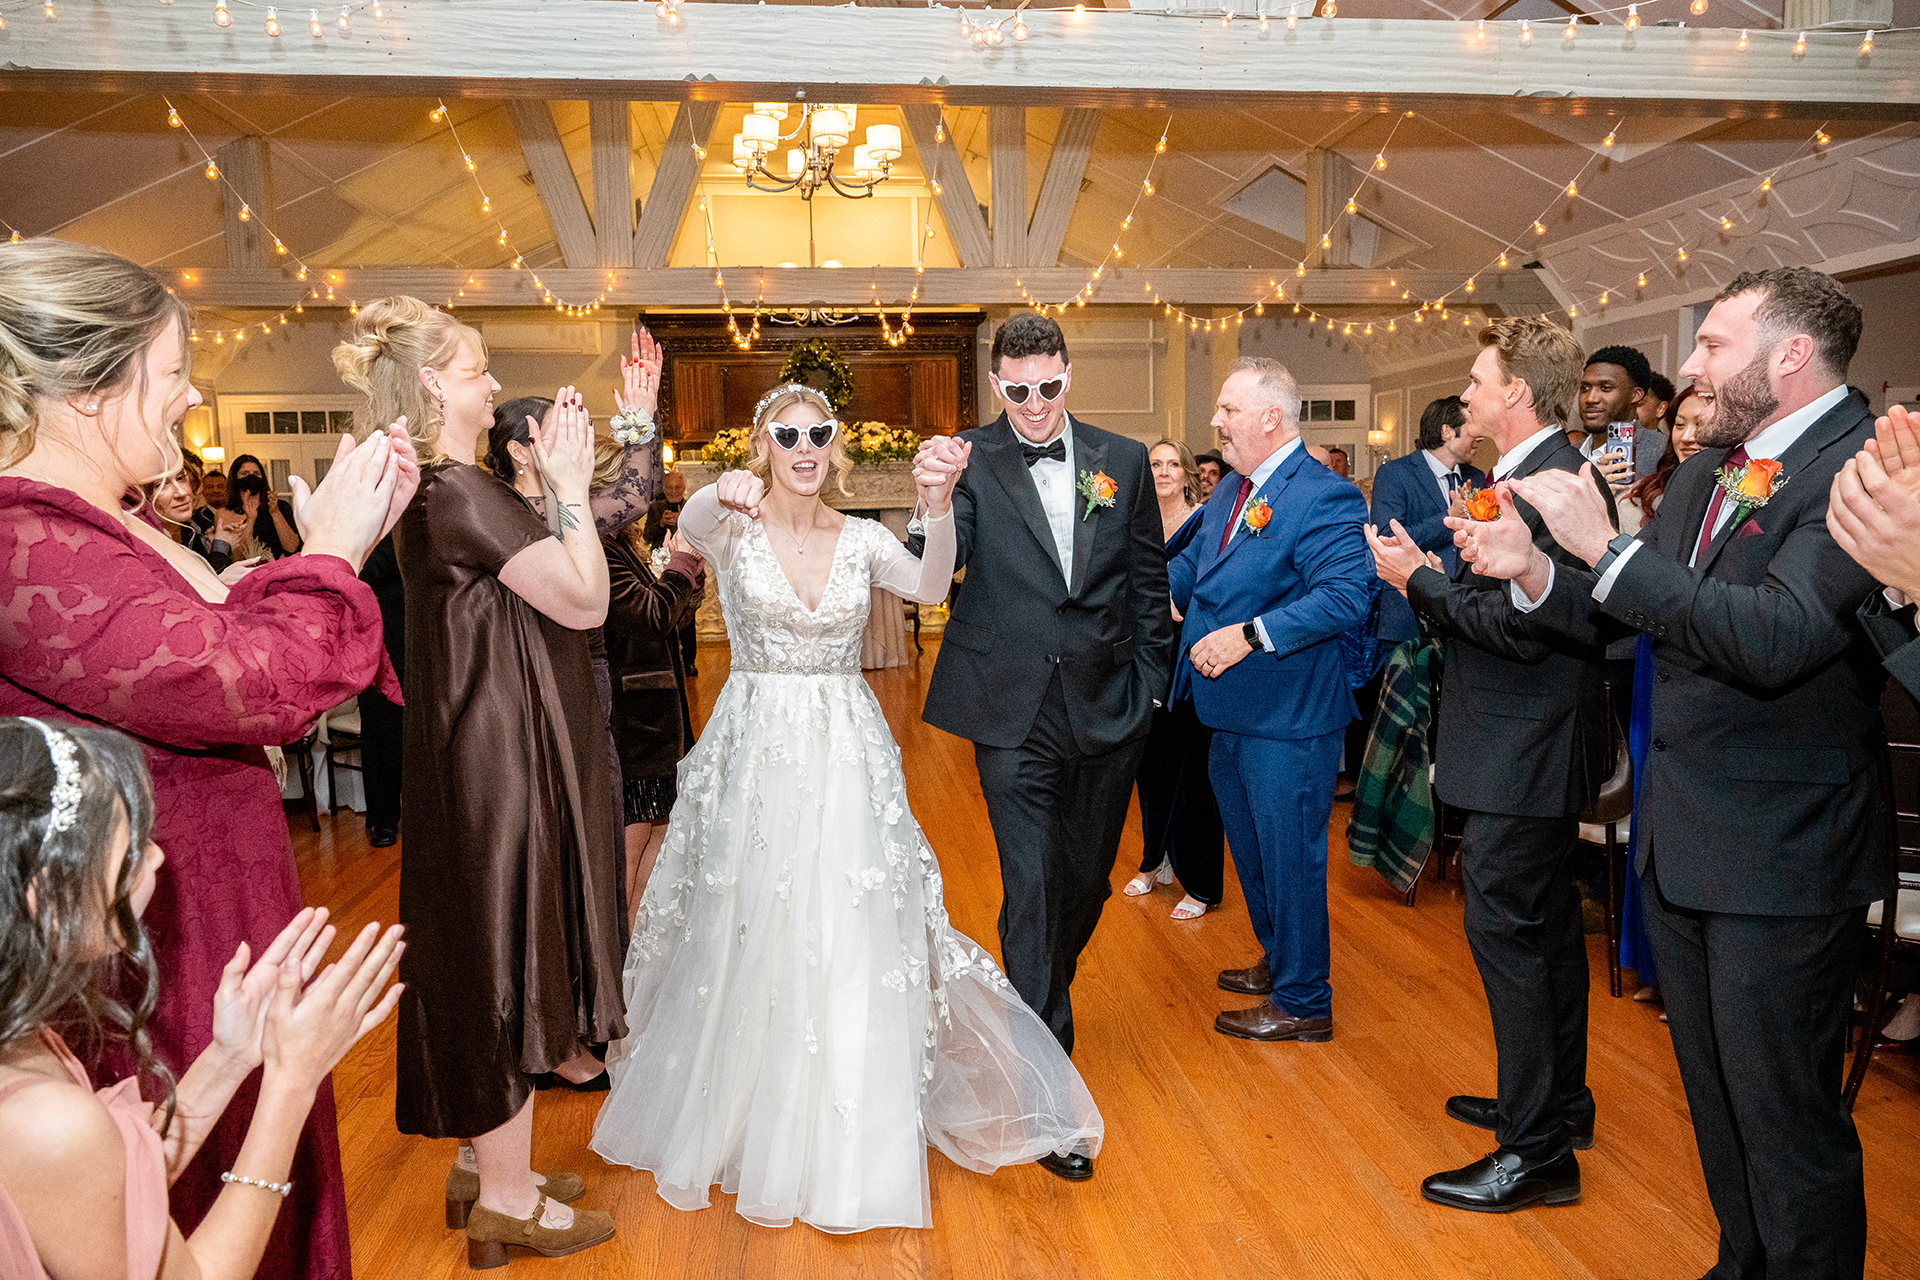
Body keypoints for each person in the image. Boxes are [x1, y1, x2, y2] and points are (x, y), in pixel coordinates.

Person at [590, 383, 1103, 1231]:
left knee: (846, 916)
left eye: (817, 434)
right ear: (762, 445)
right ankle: (749, 1108)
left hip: (844, 748)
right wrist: (722, 489)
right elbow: (698, 520)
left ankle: (847, 1115)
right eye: (785, 434)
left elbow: (931, 584)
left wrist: (936, 504)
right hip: (753, 746)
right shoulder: (732, 523)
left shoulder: (863, 538)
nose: (803, 448)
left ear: (835, 447)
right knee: (753, 915)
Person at [0, 237, 416, 1280]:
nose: (192, 396)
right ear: (92, 385)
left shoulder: (108, 522)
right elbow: (247, 681)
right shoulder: (21, 539)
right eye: (174, 369)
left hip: (206, 892)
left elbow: (222, 644)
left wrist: (330, 546)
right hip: (140, 933)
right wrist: (335, 553)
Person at [1459, 267, 1884, 1278]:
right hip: (1686, 836)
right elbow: (1628, 614)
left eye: (1714, 344)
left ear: (1791, 354)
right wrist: (1534, 567)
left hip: (1783, 852)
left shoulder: (1863, 468)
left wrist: (1605, 548)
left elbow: (1777, 635)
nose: (1689, 366)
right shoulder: (1709, 471)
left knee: (1786, 1118)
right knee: (1719, 1099)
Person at [334, 296, 630, 1267]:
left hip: (473, 751)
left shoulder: (435, 489)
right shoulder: (460, 489)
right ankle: (506, 1199)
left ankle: (483, 1164)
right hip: (499, 761)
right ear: (432, 383)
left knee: (477, 948)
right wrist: (571, 485)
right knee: (504, 953)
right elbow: (585, 600)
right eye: (475, 368)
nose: (493, 382)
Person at [906, 313, 1173, 1184]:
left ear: (1067, 376)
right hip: (1009, 711)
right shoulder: (969, 458)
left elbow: (1147, 581)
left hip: (1108, 705)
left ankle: (1036, 988)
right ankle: (1049, 1095)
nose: (1033, 404)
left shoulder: (1120, 459)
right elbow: (933, 567)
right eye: (1017, 391)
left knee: (1082, 884)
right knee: (1030, 891)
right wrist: (931, 501)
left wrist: (1152, 688)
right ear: (997, 386)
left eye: (1048, 387)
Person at [0, 717, 406, 1280]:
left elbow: (109, 1183)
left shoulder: (22, 1033)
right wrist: (292, 1082)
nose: (157, 859)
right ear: (47, 895)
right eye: (132, 849)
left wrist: (230, 1055)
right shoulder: (46, 1123)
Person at [1366, 317, 1617, 1214]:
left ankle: (1536, 1151)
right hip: (1525, 740)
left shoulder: (1552, 487)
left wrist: (1418, 583)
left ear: (1514, 391)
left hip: (1527, 745)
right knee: (1543, 934)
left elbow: (1525, 630)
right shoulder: (1521, 476)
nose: (1465, 394)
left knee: (1511, 937)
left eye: (1477, 380)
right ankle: (1555, 1104)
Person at [1169, 358, 1372, 1044]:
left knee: (1290, 861)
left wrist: (1250, 635)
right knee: (1253, 853)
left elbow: (1344, 597)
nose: (1216, 422)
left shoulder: (1324, 495)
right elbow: (1193, 570)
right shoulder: (1233, 488)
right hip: (1228, 712)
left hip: (1290, 718)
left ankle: (1304, 1000)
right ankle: (1281, 960)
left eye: (1228, 410)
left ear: (1271, 418)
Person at [1126, 438, 1224, 921]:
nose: (1163, 472)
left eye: (1172, 464)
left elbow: (1200, 589)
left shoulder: (1205, 523)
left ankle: (1201, 882)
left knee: (1190, 771)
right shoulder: (1134, 521)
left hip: (1186, 657)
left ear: (1187, 474)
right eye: (1154, 464)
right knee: (1148, 764)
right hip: (1140, 655)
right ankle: (1154, 860)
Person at [601, 513, 703, 933]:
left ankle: (636, 955)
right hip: (631, 724)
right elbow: (649, 617)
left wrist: (686, 577)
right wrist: (679, 567)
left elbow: (672, 619)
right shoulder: (599, 548)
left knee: (656, 850)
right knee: (631, 849)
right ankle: (615, 956)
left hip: (657, 720)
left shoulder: (622, 545)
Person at [1573, 345, 1650, 502]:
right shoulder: (1569, 452)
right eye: (1584, 388)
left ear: (1635, 395)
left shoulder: (1661, 453)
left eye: (1605, 388)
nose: (1591, 398)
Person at [644, 469, 700, 675]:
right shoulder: (655, 508)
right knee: (664, 612)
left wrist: (683, 523)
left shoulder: (691, 507)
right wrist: (661, 523)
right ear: (664, 489)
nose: (674, 491)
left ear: (683, 488)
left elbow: (699, 537)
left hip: (686, 567)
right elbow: (647, 536)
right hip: (660, 568)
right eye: (670, 487)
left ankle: (689, 662)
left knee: (688, 617)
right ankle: (667, 661)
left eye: (677, 487)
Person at [227, 452, 304, 558]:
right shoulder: (228, 512)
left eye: (256, 473)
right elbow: (239, 555)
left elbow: (291, 547)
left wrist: (275, 512)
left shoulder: (281, 507)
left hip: (279, 564)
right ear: (235, 478)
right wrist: (250, 520)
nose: (251, 477)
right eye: (245, 474)